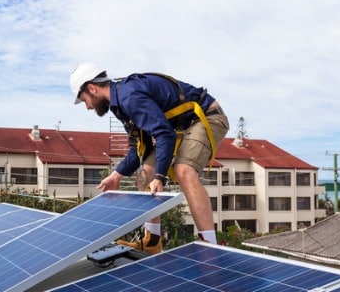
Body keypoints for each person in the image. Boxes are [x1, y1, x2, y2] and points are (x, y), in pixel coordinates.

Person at [70, 63, 229, 253]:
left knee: (183, 170)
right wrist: (116, 175)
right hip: (179, 127)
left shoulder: (129, 96)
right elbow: (138, 149)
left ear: (92, 88)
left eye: (84, 99)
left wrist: (160, 177)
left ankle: (210, 247)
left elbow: (164, 135)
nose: (87, 107)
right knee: (144, 173)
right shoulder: (119, 103)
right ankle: (152, 241)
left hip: (207, 117)